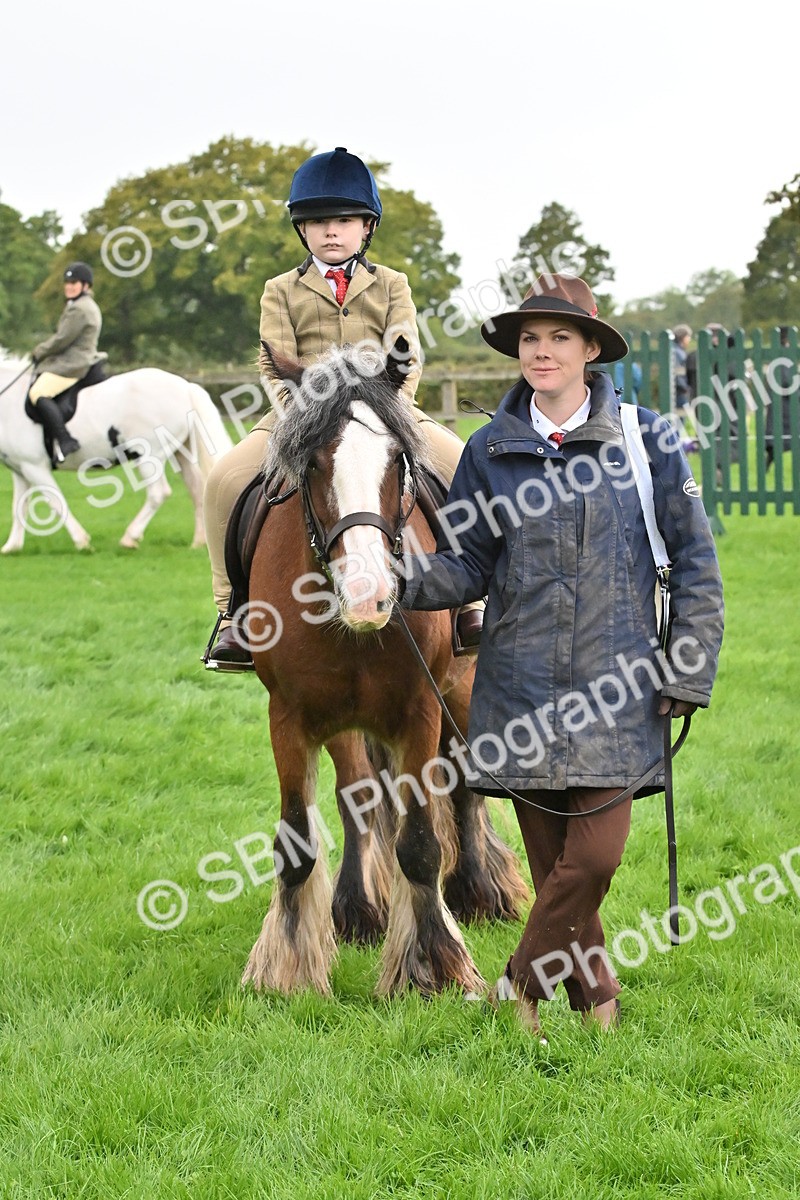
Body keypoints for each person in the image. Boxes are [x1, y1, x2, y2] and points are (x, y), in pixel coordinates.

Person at [398, 274, 724, 1035]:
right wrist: (396, 579)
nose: (542, 352)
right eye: (530, 340)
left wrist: (688, 667)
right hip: (518, 691)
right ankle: (597, 1005)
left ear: (589, 350)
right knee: (555, 876)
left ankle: (518, 992)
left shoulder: (649, 442)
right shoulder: (487, 451)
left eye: (559, 339)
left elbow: (698, 567)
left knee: (594, 863)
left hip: (621, 691)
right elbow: (467, 566)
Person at [203, 146, 482, 670]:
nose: (332, 231)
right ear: (301, 230)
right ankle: (233, 614)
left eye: (344, 220)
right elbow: (273, 364)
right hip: (300, 416)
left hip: (384, 413)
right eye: (317, 222)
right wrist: (306, 420)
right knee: (222, 478)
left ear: (366, 226)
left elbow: (407, 356)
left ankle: (470, 603)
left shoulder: (392, 284)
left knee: (464, 461)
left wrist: (385, 418)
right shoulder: (279, 289)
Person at [28, 262, 105, 463]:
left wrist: (40, 352)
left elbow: (62, 339)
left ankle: (65, 439)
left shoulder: (80, 309)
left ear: (86, 285)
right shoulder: (79, 305)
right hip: (74, 360)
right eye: (67, 282)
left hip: (73, 364)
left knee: (38, 392)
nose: (69, 286)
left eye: (74, 283)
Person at [672, 323, 692, 410]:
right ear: (682, 337)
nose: (689, 339)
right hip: (680, 392)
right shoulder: (678, 352)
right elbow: (678, 373)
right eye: (688, 336)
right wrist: (686, 387)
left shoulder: (678, 351)